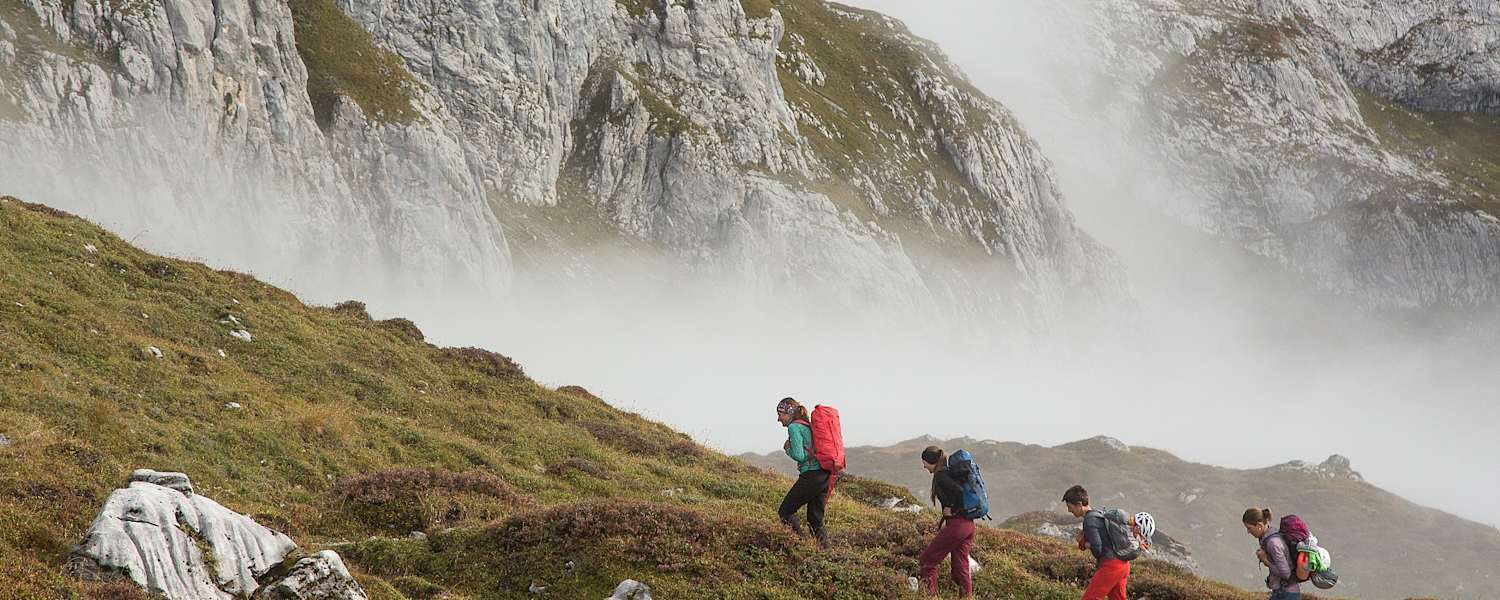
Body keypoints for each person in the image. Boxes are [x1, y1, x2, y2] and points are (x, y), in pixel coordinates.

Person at [917, 446, 975, 598]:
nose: (923, 466)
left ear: (930, 461)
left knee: (927, 560)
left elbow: (959, 491)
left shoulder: (941, 475)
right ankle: (967, 597)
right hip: (968, 525)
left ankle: (930, 596)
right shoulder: (948, 472)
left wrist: (952, 509)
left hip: (958, 524)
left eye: (924, 462)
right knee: (960, 566)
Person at [775, 397, 827, 544]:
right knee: (815, 520)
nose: (778, 419)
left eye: (780, 414)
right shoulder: (807, 425)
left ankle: (802, 545)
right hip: (825, 475)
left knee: (785, 512)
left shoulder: (794, 428)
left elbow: (799, 455)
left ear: (789, 413)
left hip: (811, 476)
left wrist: (787, 449)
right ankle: (827, 553)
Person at [1064, 485, 1128, 600]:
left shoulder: (1089, 521)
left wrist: (1083, 542)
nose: (1069, 510)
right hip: (1123, 564)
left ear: (1079, 505)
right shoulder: (1099, 513)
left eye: (1070, 507)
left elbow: (1097, 550)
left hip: (1111, 566)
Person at [1243, 508, 1300, 600]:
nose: (1248, 532)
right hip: (1283, 592)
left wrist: (1265, 560)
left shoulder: (1273, 543)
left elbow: (1286, 574)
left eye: (1249, 528)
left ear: (1259, 525)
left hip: (1286, 594)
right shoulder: (1270, 537)